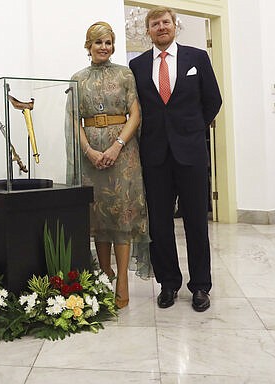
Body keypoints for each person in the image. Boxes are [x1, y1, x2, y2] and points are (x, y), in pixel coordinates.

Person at [129, 6, 222, 312]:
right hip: (155, 155)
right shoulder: (138, 65)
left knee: (196, 221)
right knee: (160, 223)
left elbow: (213, 100)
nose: (161, 27)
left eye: (165, 22)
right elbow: (138, 108)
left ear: (174, 25)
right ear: (148, 31)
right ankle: (168, 283)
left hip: (191, 153)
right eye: (154, 24)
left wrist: (192, 129)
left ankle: (200, 287)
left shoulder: (198, 58)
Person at [71, 22, 152, 309]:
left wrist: (117, 145)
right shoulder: (77, 79)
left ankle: (122, 282)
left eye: (108, 42)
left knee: (122, 214)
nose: (104, 47)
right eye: (98, 42)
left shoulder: (125, 74)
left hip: (123, 154)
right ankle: (105, 273)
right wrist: (90, 151)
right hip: (91, 156)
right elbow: (73, 121)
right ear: (88, 46)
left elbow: (135, 114)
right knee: (98, 214)